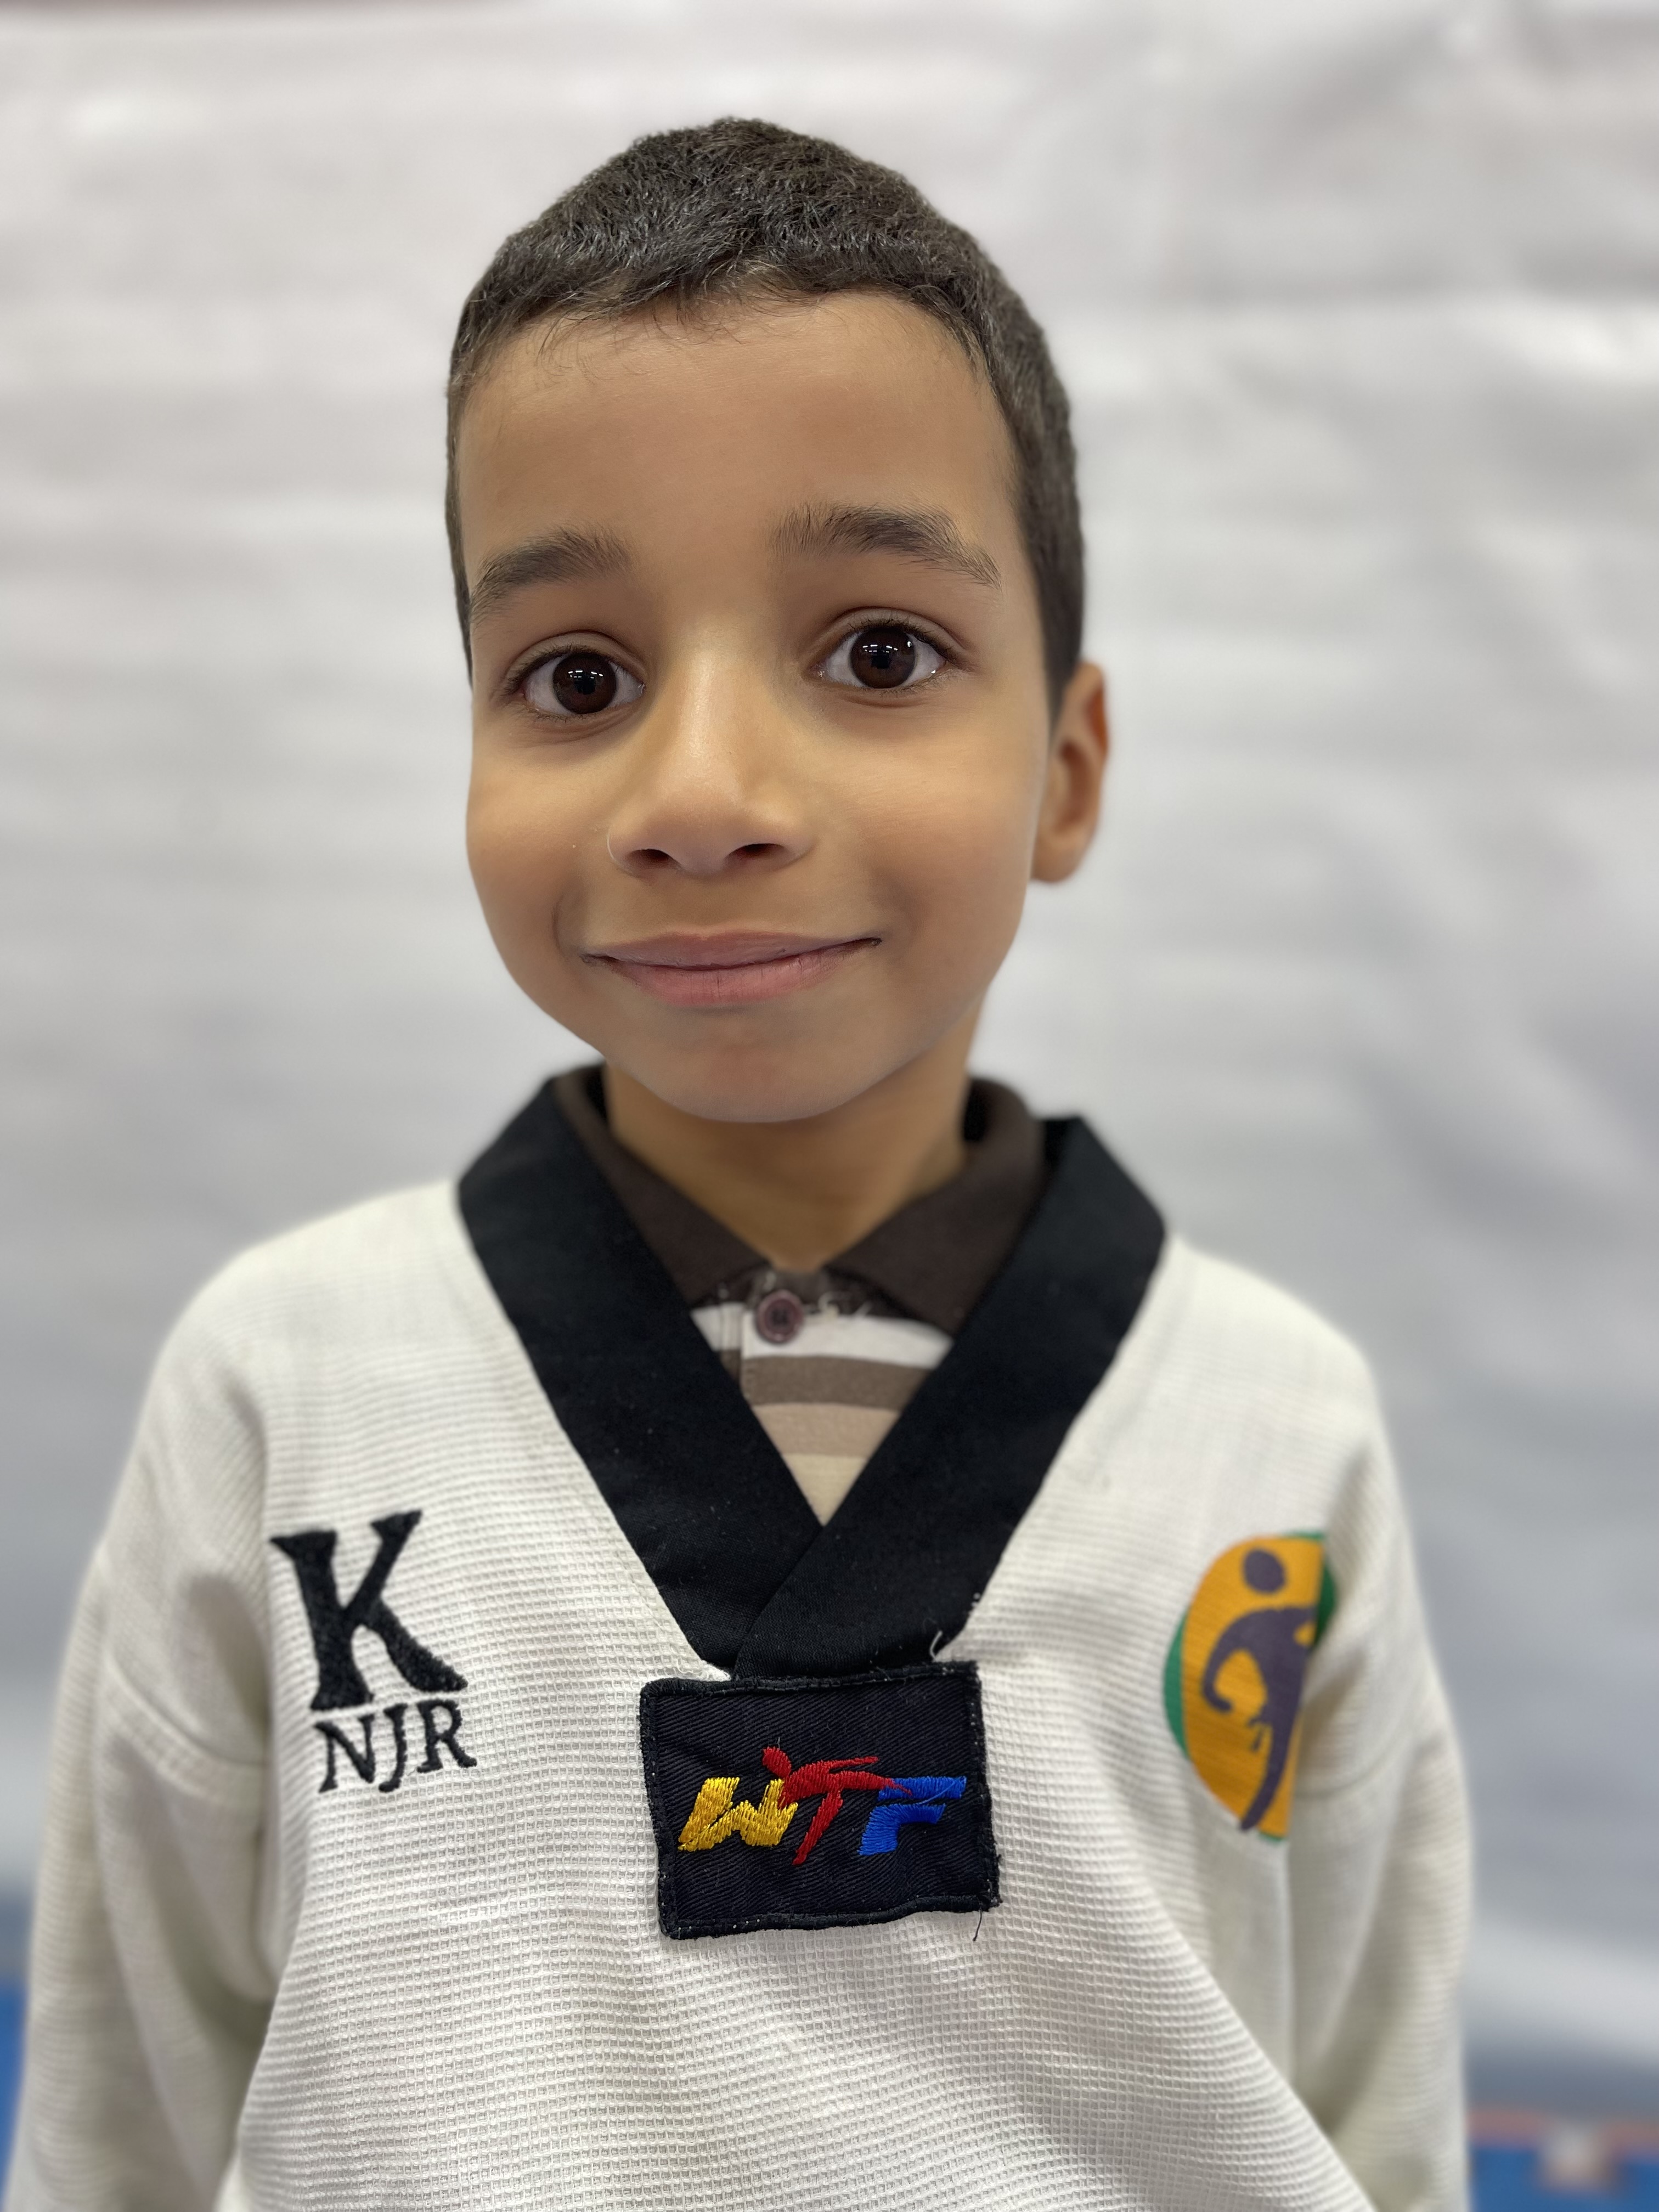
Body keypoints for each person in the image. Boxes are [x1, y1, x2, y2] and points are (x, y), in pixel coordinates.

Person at [5, 119, 1470, 2212]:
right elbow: (124, 2120)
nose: (701, 794)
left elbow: (1378, 2113)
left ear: (1066, 771)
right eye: (577, 678)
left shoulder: (1277, 1424)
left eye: (878, 651)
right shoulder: (281, 1389)